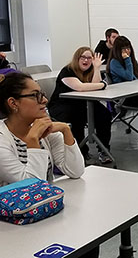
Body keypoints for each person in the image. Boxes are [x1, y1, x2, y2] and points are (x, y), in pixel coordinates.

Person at [0, 73, 97, 258]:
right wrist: (32, 143)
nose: (44, 100)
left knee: (88, 242)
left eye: (42, 94)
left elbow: (76, 171)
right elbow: (30, 188)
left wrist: (66, 131)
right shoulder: (2, 139)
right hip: (11, 226)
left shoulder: (41, 128)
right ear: (13, 103)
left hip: (42, 212)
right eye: (35, 95)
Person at [47, 46, 112, 164]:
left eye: (89, 58)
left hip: (83, 103)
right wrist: (103, 84)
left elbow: (94, 88)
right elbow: (80, 87)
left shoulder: (90, 70)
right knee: (77, 117)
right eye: (83, 57)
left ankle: (104, 149)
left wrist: (97, 68)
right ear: (77, 58)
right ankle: (80, 152)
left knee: (104, 114)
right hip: (62, 105)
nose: (86, 60)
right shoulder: (67, 70)